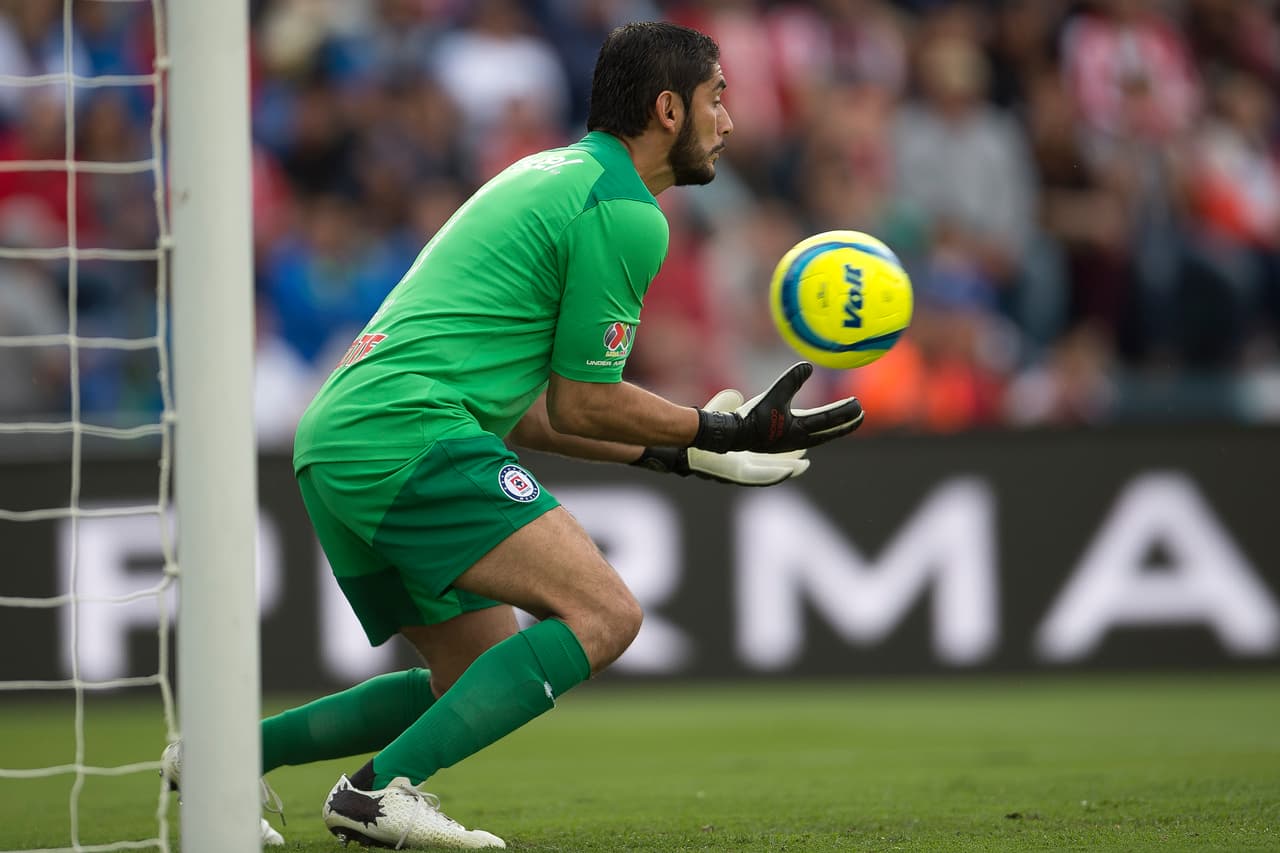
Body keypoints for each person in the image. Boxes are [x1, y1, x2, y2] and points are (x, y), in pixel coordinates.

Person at [163, 21, 864, 850]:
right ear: (669, 109)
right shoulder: (626, 211)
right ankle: (375, 791)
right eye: (719, 97)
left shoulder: (550, 173)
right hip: (408, 429)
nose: (730, 121)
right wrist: (721, 426)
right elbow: (584, 402)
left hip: (342, 435)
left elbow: (539, 412)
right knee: (605, 613)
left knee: (467, 674)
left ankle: (221, 758)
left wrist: (681, 450)